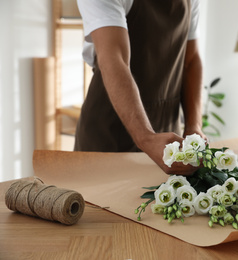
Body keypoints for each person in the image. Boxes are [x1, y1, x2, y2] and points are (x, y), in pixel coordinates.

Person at [74, 0, 206, 175]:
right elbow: (115, 60)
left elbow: (190, 61)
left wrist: (194, 126)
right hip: (109, 131)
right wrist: (146, 137)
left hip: (168, 130)